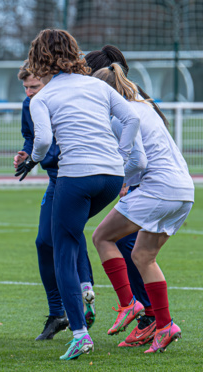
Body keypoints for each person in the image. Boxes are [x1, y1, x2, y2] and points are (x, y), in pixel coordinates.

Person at [18, 29, 140, 360]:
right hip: (112, 178)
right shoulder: (98, 85)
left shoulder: (41, 97)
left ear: (39, 58)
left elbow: (42, 142)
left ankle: (79, 333)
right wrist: (123, 156)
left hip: (76, 177)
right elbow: (131, 119)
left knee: (62, 249)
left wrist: (33, 158)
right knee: (70, 236)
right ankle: (88, 288)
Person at [91, 63, 193, 354]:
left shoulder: (121, 115)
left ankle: (128, 304)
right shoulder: (144, 106)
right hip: (183, 190)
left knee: (102, 237)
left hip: (158, 188)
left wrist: (121, 180)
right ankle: (164, 325)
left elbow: (139, 162)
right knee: (143, 256)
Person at [85, 45, 162, 348]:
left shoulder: (123, 106)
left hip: (149, 185)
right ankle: (152, 315)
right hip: (151, 184)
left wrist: (121, 179)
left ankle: (146, 312)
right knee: (133, 247)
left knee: (121, 242)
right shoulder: (134, 97)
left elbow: (139, 155)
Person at [14, 61, 96, 340]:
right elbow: (31, 138)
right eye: (25, 87)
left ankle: (86, 292)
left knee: (69, 232)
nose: (29, 93)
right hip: (55, 179)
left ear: (48, 82)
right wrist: (26, 154)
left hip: (75, 176)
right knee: (43, 241)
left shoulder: (61, 99)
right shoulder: (30, 105)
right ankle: (58, 312)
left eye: (34, 86)